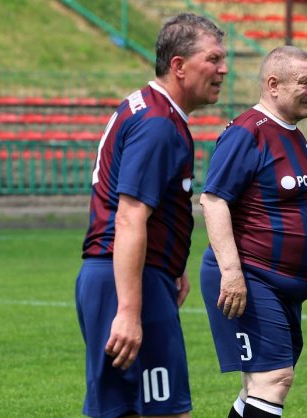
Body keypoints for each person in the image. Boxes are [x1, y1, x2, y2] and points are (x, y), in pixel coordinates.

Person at [74, 13, 227, 418]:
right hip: (127, 279)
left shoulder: (147, 107)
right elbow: (129, 217)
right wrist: (129, 310)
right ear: (179, 65)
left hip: (128, 274)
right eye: (213, 59)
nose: (223, 69)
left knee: (123, 411)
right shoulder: (158, 124)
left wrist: (171, 264)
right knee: (166, 411)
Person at [199, 45, 307, 418]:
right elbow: (213, 200)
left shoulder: (292, 133)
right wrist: (232, 273)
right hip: (252, 276)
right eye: (306, 83)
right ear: (273, 85)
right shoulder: (247, 132)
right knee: (274, 380)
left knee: (259, 386)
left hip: (288, 283)